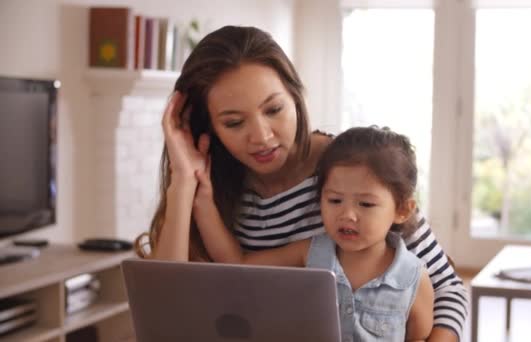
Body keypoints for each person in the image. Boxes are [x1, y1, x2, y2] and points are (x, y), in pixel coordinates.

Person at [136, 25, 467, 341]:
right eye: (234, 122)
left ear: (295, 96)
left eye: (275, 109)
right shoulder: (211, 186)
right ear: (211, 129)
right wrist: (183, 182)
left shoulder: (353, 172)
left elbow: (448, 287)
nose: (262, 137)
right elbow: (166, 306)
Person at [197, 126, 435, 341]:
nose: (347, 214)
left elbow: (420, 338)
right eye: (334, 200)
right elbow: (237, 263)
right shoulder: (311, 251)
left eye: (366, 204)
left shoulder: (413, 277)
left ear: (402, 210)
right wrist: (204, 202)